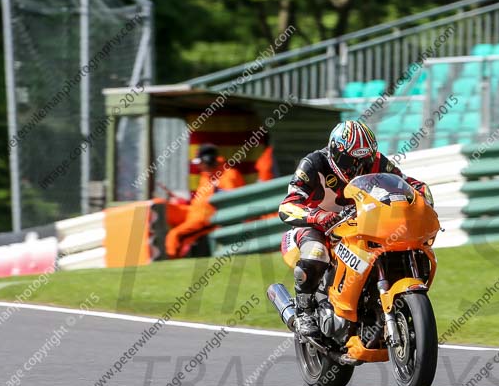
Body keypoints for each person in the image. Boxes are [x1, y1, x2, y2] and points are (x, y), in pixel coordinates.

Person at [278, 120, 428, 336]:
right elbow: (287, 205)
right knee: (316, 252)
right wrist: (318, 215)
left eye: (364, 161)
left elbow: (403, 182)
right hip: (317, 224)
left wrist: (421, 192)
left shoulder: (377, 163)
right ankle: (305, 312)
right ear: (336, 154)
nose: (359, 168)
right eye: (352, 161)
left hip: (359, 224)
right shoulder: (313, 164)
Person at [165, 144, 245, 258]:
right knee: (164, 209)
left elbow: (230, 201)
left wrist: (218, 189)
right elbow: (201, 200)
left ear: (208, 161)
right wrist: (184, 201)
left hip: (207, 219)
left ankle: (171, 262)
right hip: (194, 213)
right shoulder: (206, 176)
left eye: (201, 163)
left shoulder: (229, 175)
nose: (199, 167)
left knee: (174, 235)